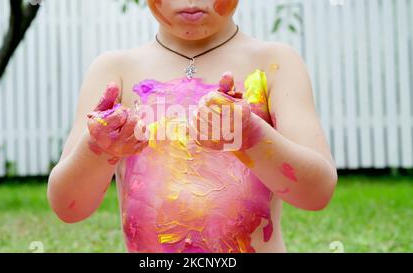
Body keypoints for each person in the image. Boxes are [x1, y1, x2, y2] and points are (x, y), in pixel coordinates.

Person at [47, 0, 338, 253]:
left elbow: (317, 192)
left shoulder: (274, 62)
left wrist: (251, 137)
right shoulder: (115, 70)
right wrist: (97, 149)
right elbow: (67, 206)